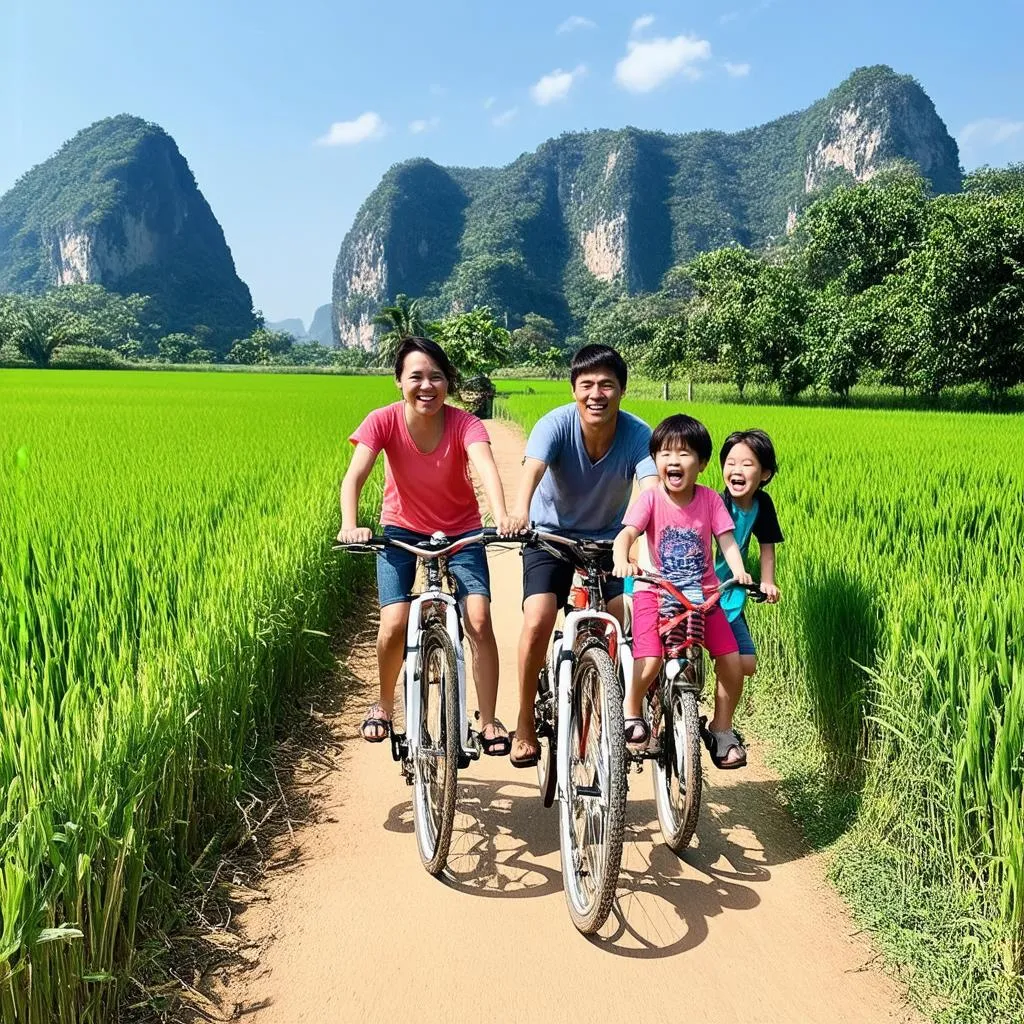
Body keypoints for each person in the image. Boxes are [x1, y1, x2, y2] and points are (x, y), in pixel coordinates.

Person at [337, 337, 523, 752]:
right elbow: (354, 477)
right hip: (400, 532)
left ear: (448, 382)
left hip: (461, 532)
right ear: (399, 382)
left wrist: (502, 515)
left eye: (436, 377)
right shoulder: (381, 421)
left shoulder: (465, 424)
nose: (426, 386)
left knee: (477, 619)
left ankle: (489, 721)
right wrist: (351, 524)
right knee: (394, 622)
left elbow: (485, 468)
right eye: (416, 377)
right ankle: (384, 705)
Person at [508, 344, 659, 767]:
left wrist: (651, 546)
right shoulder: (554, 425)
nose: (597, 394)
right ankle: (523, 720)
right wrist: (520, 513)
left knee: (619, 617)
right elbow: (532, 471)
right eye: (587, 385)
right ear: (574, 390)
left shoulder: (637, 435)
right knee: (539, 617)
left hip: (610, 541)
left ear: (622, 391)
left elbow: (652, 493)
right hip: (550, 536)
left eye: (607, 385)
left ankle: (615, 705)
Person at [612, 413, 753, 769]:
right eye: (665, 453)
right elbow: (627, 534)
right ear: (655, 460)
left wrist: (739, 572)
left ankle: (722, 730)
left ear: (702, 463)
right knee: (650, 660)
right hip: (654, 592)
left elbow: (726, 541)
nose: (674, 460)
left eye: (685, 453)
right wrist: (622, 559)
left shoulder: (710, 501)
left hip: (703, 596)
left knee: (732, 662)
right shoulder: (650, 498)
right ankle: (632, 711)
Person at [715, 429, 783, 679]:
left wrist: (767, 581)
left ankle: (720, 710)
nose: (736, 470)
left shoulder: (762, 505)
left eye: (747, 464)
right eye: (730, 463)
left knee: (746, 663)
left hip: (731, 590)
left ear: (765, 473)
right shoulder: (716, 503)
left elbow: (767, 546)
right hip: (703, 589)